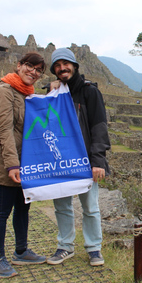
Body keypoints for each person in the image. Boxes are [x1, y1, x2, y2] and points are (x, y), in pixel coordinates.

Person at [46, 48, 111, 267]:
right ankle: (65, 246)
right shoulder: (53, 93)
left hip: (83, 160)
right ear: (54, 70)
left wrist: (98, 160)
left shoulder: (89, 91)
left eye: (66, 64)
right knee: (62, 206)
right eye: (57, 65)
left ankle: (94, 248)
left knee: (90, 207)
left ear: (74, 66)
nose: (62, 68)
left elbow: (99, 126)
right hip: (60, 161)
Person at [0, 52, 47, 278]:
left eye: (38, 70)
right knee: (2, 211)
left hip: (26, 161)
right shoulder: (4, 91)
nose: (33, 72)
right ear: (19, 65)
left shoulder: (26, 94)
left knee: (23, 208)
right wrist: (12, 165)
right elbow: (4, 130)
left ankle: (21, 250)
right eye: (30, 66)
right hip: (7, 162)